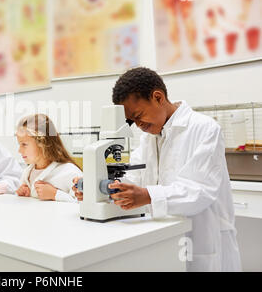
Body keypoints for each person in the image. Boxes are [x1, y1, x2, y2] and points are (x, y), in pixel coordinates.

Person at [73, 67, 241, 272]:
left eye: (139, 115)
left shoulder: (204, 128)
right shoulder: (149, 137)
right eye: (132, 121)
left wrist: (147, 196)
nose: (138, 125)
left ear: (158, 97)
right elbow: (133, 177)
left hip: (204, 238)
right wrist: (96, 188)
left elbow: (200, 191)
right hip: (166, 237)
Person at [16, 114, 82, 202]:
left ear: (42, 143)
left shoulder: (70, 172)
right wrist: (23, 194)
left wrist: (55, 194)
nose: (19, 151)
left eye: (24, 144)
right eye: (19, 144)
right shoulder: (27, 173)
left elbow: (82, 206)